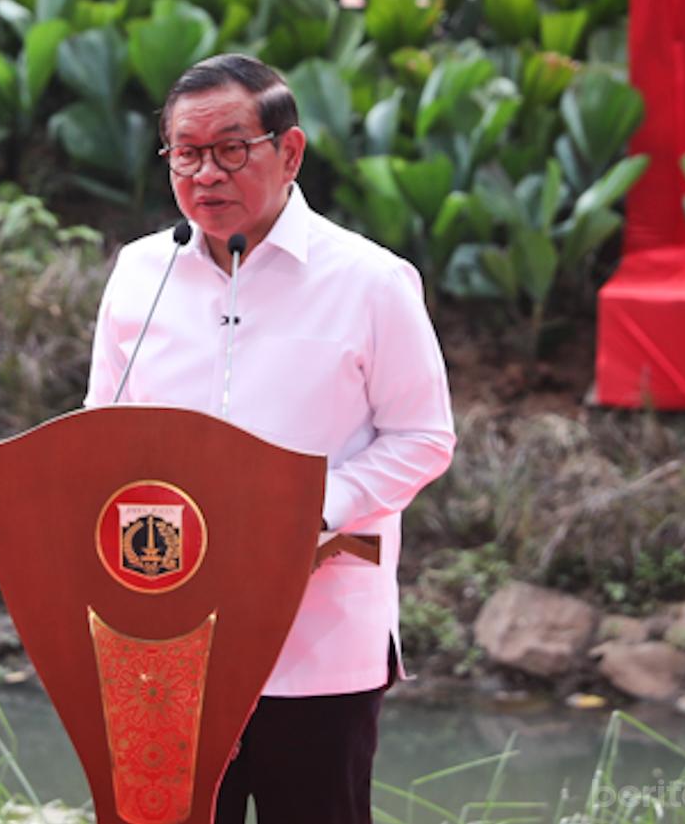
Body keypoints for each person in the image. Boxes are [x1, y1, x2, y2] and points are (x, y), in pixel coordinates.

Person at [83, 53, 456, 824]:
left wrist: (312, 506)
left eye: (229, 149)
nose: (205, 174)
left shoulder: (371, 281)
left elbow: (423, 435)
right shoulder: (139, 274)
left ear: (289, 151)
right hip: (170, 635)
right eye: (186, 153)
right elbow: (103, 436)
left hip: (317, 638)